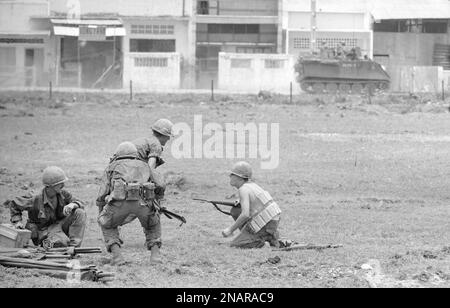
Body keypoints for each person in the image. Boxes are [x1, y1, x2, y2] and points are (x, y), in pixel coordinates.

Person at [96, 142, 165, 265]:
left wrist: (102, 213)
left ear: (117, 154)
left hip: (118, 204)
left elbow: (102, 194)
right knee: (153, 224)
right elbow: (160, 184)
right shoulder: (145, 165)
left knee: (107, 225)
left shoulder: (111, 167)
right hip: (143, 203)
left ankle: (117, 257)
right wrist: (158, 200)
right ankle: (155, 257)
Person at [5, 166, 87, 248]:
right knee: (62, 242)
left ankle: (73, 249)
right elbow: (14, 204)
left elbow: (81, 203)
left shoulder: (63, 193)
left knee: (80, 212)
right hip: (43, 231)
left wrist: (72, 204)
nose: (63, 185)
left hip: (58, 225)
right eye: (60, 184)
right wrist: (17, 222)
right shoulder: (35, 197)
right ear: (50, 186)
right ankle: (47, 244)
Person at [221, 161, 284, 249]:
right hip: (271, 222)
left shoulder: (243, 189)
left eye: (232, 174)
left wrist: (230, 230)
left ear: (240, 177)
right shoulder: (252, 186)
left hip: (266, 223)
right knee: (236, 210)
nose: (230, 176)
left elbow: (245, 214)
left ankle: (262, 243)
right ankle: (269, 236)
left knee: (236, 244)